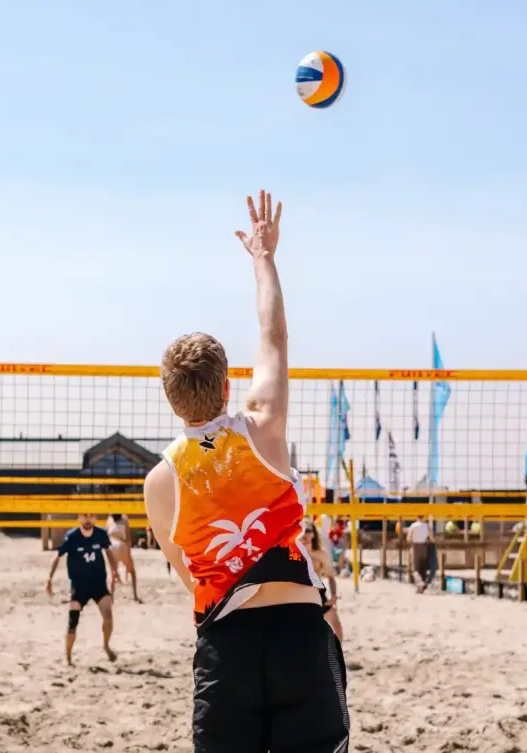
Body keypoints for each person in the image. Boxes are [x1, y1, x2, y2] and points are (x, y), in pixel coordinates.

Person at [143, 190, 349, 753]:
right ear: (229, 384)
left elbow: (190, 575)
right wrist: (264, 257)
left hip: (225, 648)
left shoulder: (159, 482)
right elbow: (274, 337)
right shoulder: (264, 425)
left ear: (169, 398)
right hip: (297, 633)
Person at [46, 512, 120, 665]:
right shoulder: (72, 537)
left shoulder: (101, 534)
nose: (87, 519)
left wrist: (114, 571)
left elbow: (108, 552)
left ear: (95, 518)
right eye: (84, 516)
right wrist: (49, 579)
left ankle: (106, 646)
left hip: (98, 584)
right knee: (73, 623)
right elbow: (58, 556)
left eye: (91, 516)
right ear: (79, 518)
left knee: (108, 617)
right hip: (79, 586)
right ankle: (68, 658)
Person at [301, 520, 343, 642]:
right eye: (302, 530)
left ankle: (337, 658)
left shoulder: (321, 554)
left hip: (317, 595)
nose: (304, 534)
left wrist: (334, 595)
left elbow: (330, 577)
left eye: (308, 530)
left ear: (313, 534)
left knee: (337, 627)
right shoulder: (292, 552)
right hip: (298, 596)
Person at [106, 513, 141, 602]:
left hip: (111, 546)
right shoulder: (124, 518)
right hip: (121, 546)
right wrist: (129, 555)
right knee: (132, 571)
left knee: (113, 573)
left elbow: (106, 536)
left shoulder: (109, 519)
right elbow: (128, 538)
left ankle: (111, 597)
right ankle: (135, 595)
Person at [406, 515, 433, 593]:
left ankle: (420, 584)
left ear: (417, 517)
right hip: (424, 547)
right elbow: (431, 538)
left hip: (415, 546)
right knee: (423, 568)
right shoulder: (427, 526)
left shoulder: (413, 526)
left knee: (415, 569)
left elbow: (408, 538)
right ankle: (421, 588)